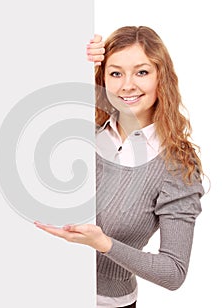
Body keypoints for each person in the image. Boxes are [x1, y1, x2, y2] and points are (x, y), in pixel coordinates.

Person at [35, 26, 204, 308]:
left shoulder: (177, 166)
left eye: (141, 72)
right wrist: (69, 53)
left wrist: (104, 244)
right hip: (41, 290)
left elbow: (174, 272)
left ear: (161, 77)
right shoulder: (83, 132)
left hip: (106, 303)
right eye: (115, 73)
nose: (127, 85)